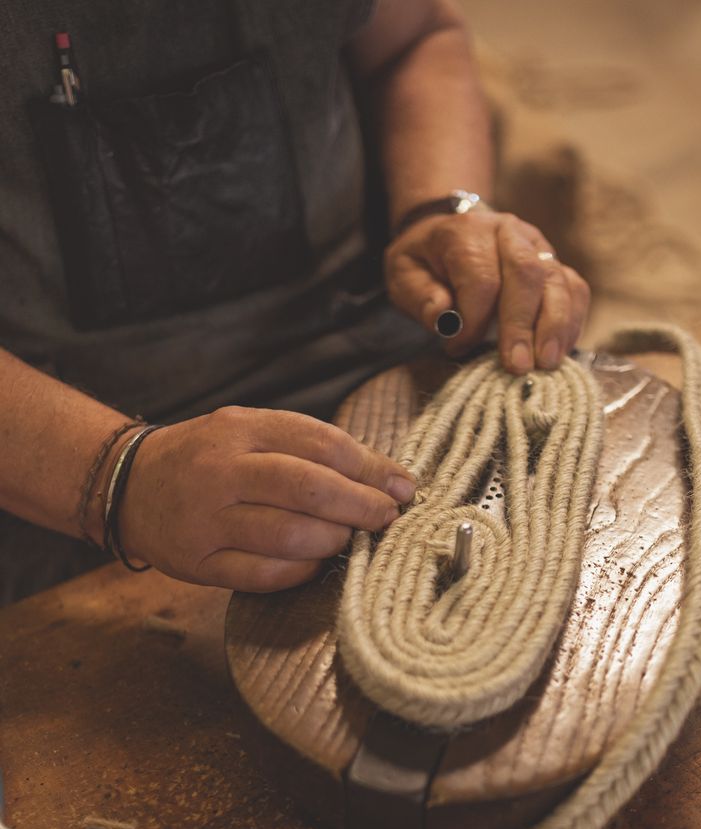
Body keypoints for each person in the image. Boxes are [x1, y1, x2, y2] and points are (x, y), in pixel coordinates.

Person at [0, 0, 589, 603]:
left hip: (363, 337)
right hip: (61, 449)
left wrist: (439, 209)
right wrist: (119, 481)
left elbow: (417, 37)